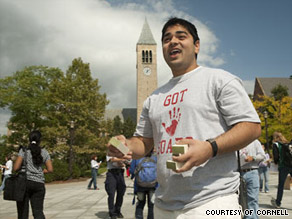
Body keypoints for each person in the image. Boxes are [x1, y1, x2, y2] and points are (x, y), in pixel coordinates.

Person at [108, 17, 261, 218]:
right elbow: (143, 143)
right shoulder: (154, 98)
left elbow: (251, 126)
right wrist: (125, 145)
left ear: (196, 45)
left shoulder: (219, 79)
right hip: (165, 204)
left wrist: (209, 148)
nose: (173, 41)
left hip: (213, 201)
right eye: (167, 39)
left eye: (181, 36)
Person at [14, 130, 53, 219]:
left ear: (29, 139)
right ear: (40, 140)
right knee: (38, 212)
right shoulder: (44, 152)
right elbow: (50, 169)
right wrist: (42, 171)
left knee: (22, 212)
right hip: (39, 183)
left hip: (24, 183)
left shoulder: (23, 151)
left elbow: (16, 168)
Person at [239, 140, 265, 219]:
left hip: (252, 171)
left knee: (252, 199)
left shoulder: (255, 142)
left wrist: (253, 158)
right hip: (238, 173)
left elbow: (262, 155)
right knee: (241, 199)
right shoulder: (237, 142)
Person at [130, 150, 158, 219]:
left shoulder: (137, 157)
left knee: (140, 204)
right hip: (153, 185)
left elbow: (132, 170)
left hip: (140, 185)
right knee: (151, 205)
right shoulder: (156, 157)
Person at [271, 132, 292, 208]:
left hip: (283, 166)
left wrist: (276, 162)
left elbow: (276, 156)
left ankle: (278, 202)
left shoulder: (276, 144)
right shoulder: (287, 144)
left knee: (281, 184)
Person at [105, 154, 127, 219]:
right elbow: (111, 159)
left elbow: (126, 162)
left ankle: (118, 210)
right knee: (111, 193)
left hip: (120, 173)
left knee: (121, 193)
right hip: (111, 173)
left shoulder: (122, 152)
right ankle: (112, 212)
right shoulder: (110, 152)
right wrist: (122, 159)